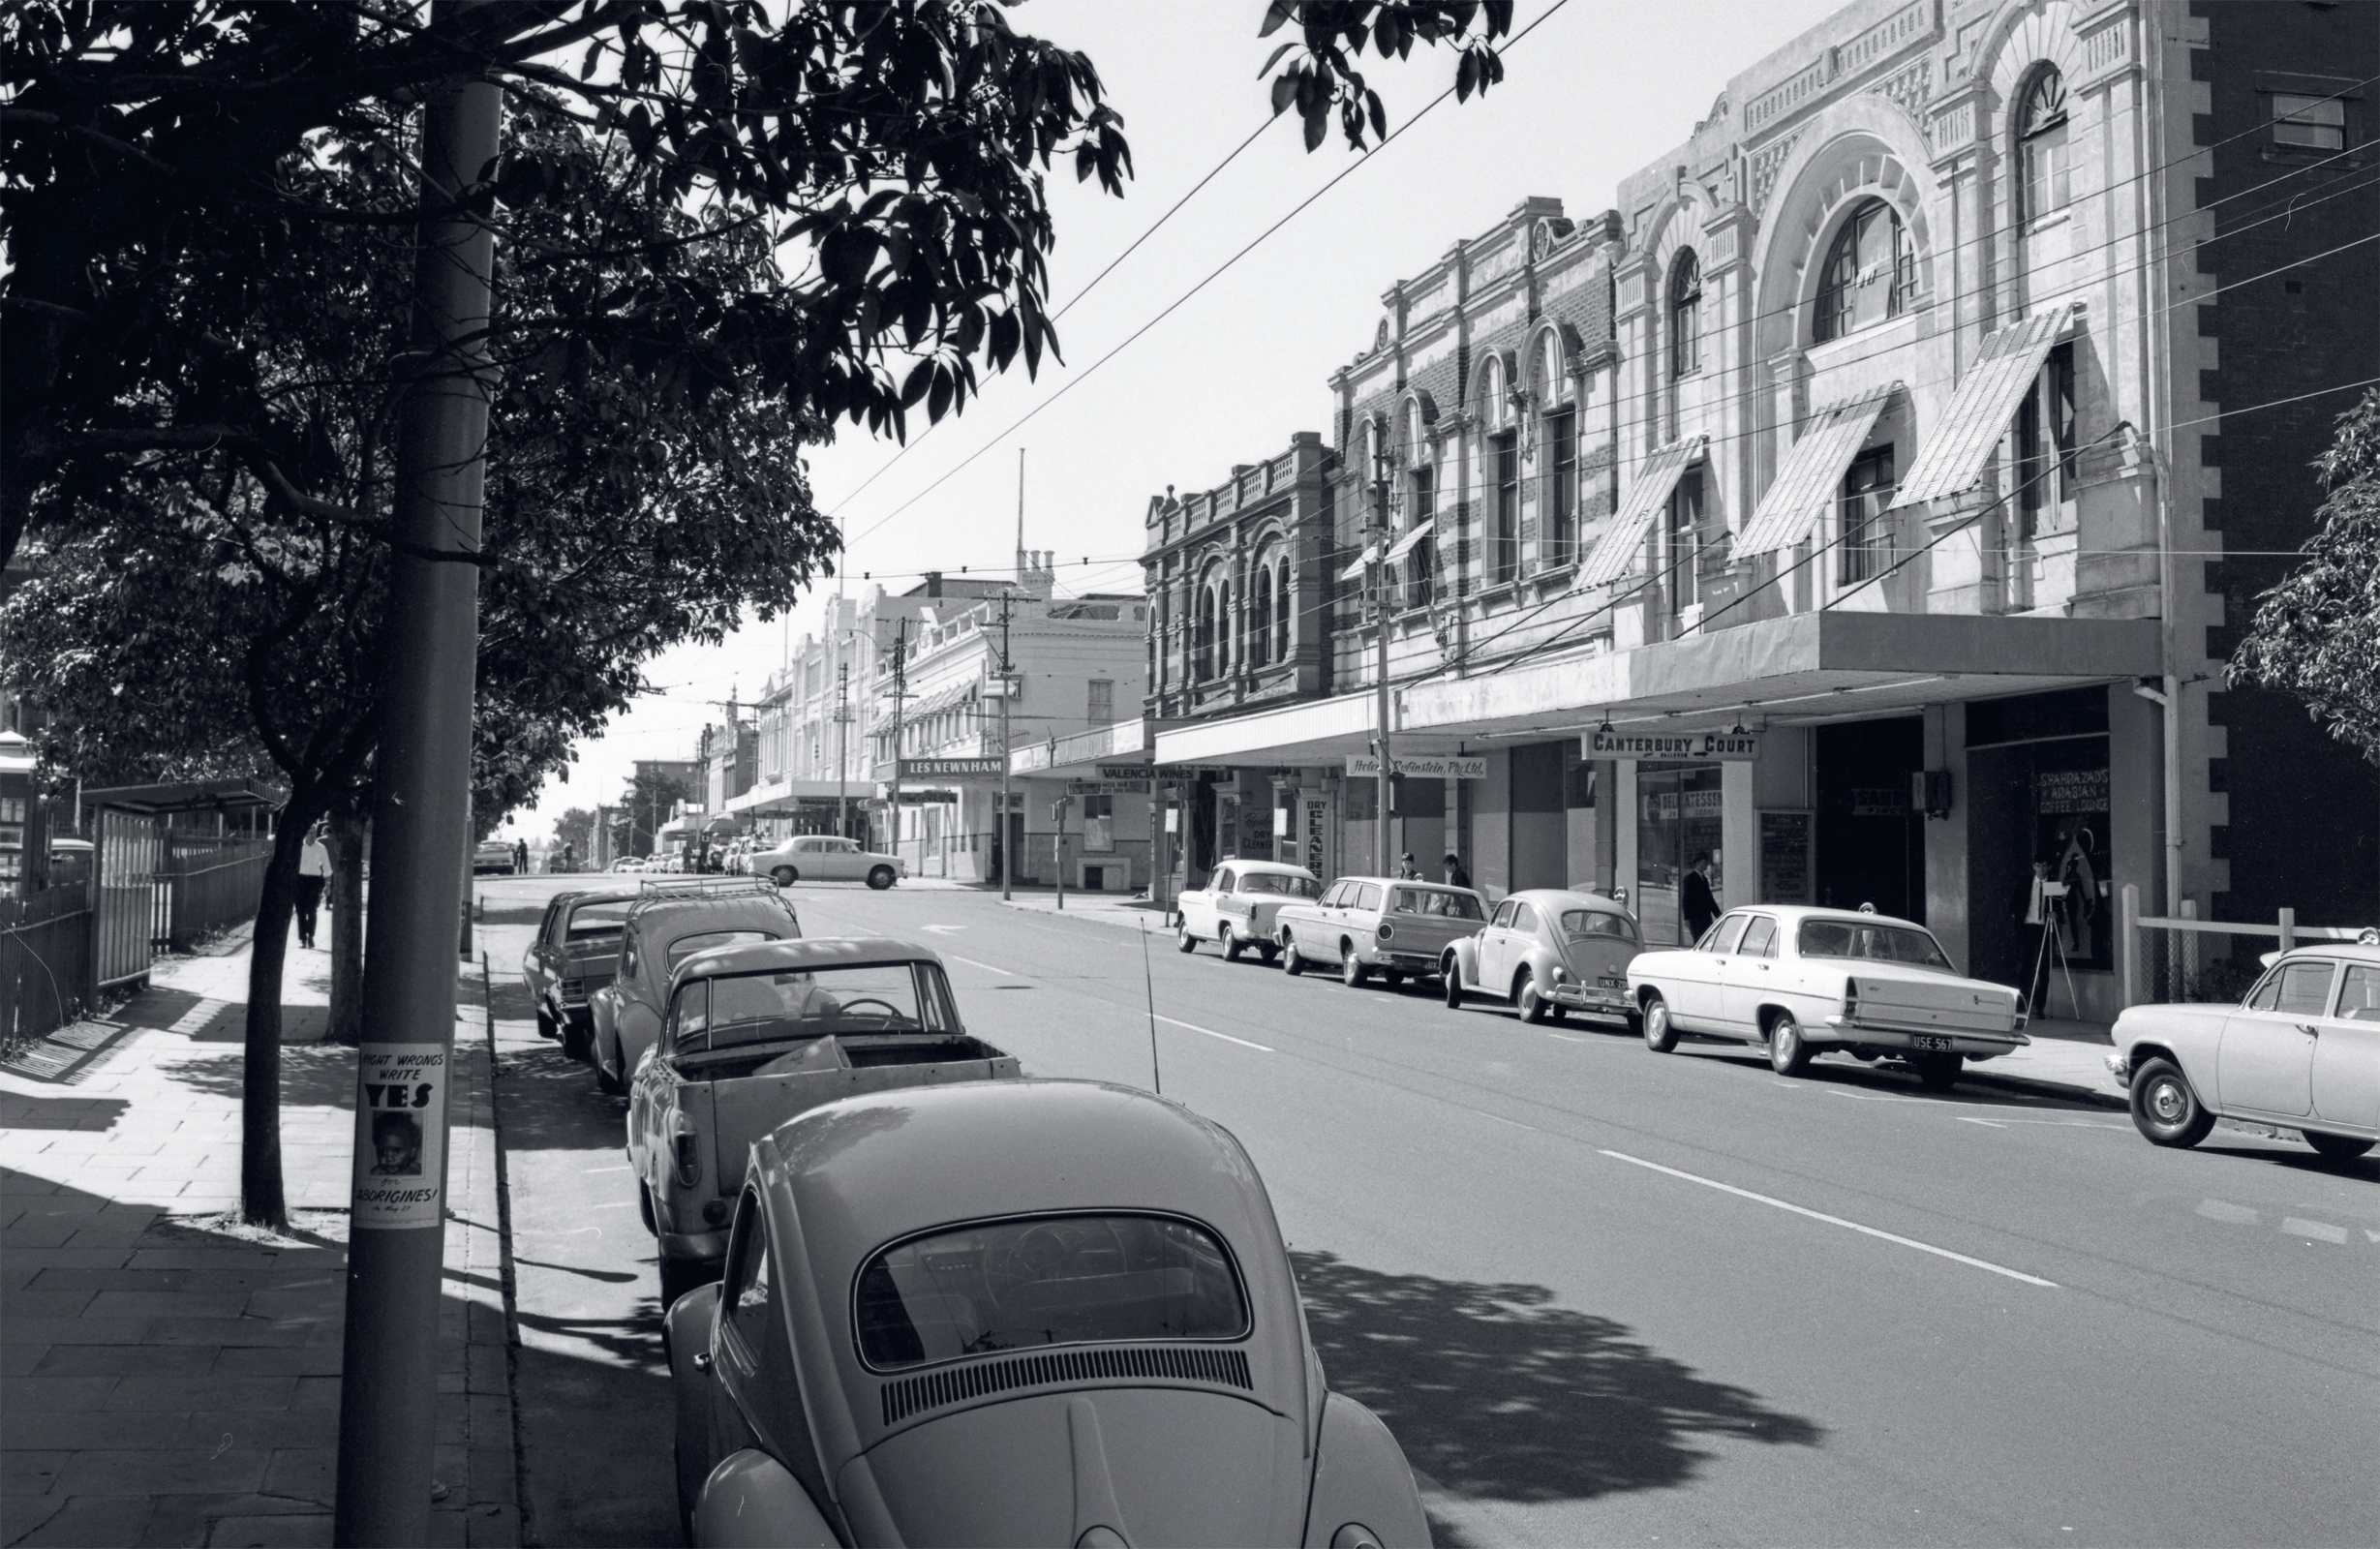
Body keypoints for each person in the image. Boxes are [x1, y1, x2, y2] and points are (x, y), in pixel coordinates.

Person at [295, 826, 330, 950]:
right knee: (300, 912)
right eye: (310, 833)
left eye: (314, 833)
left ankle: (311, 937)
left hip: (315, 881)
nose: (313, 835)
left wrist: (328, 886)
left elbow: (327, 867)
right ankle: (302, 938)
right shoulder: (298, 847)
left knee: (312, 910)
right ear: (305, 833)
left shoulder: (321, 848)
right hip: (300, 880)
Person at [1681, 851, 1720, 943]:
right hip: (1696, 919)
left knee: (1707, 940)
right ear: (1698, 863)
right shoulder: (1690, 879)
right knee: (1699, 941)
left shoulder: (1704, 880)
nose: (1706, 864)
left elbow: (1710, 900)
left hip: (1706, 918)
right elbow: (1686, 899)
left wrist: (1718, 915)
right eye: (1704, 862)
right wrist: (1686, 918)